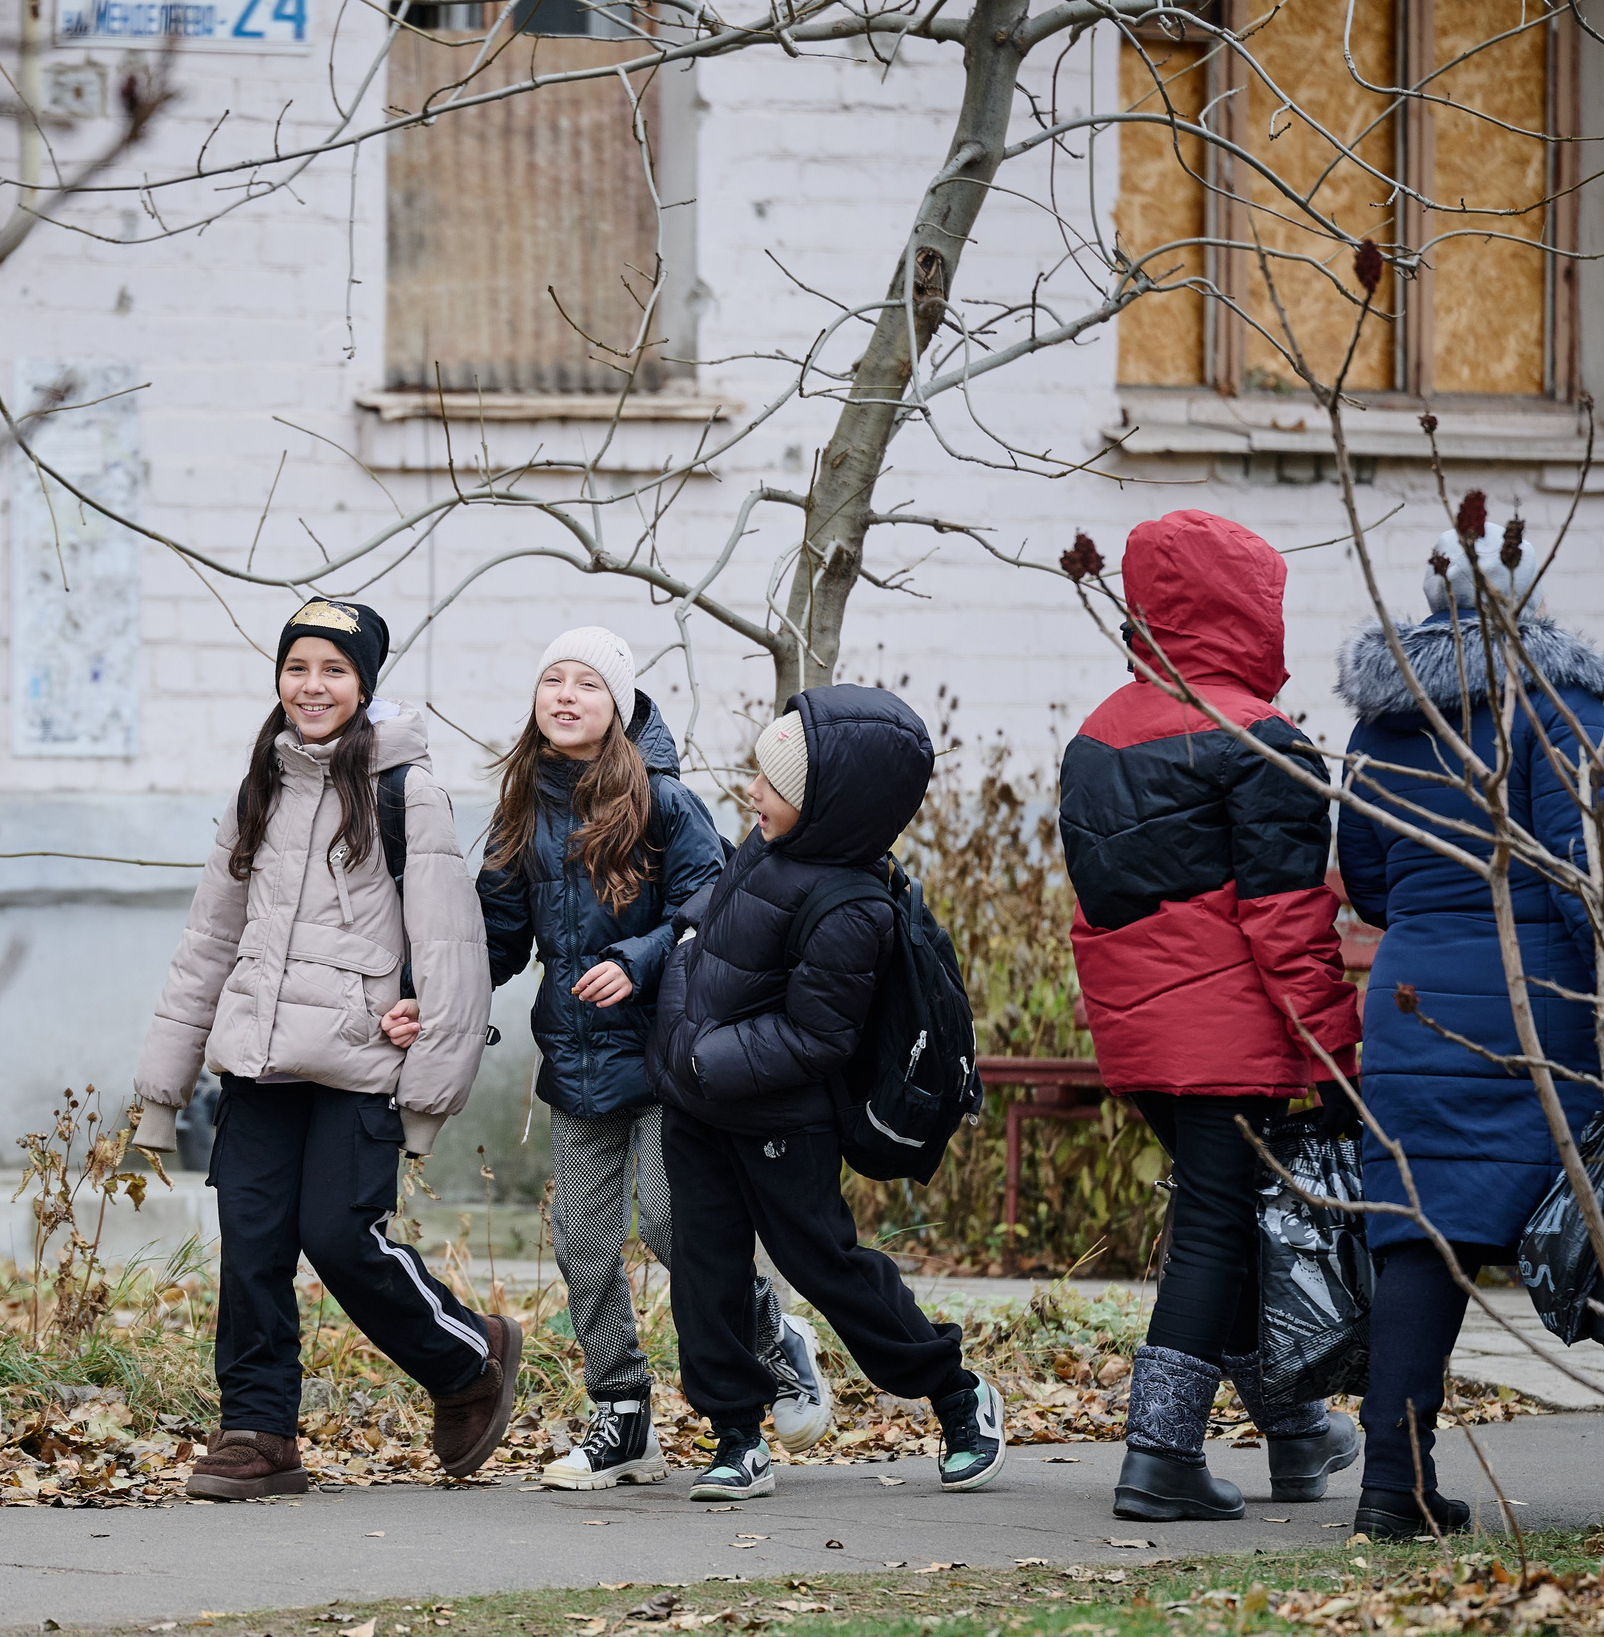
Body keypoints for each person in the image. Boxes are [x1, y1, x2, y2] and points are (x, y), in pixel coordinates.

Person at [1335, 528, 1604, 1539]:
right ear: (1526, 605)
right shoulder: (1554, 706)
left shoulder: (1380, 726)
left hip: (1412, 1014)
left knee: (1416, 1239)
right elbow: (1601, 886)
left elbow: (1363, 882)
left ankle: (1389, 1488)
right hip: (1544, 1020)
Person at [131, 597, 512, 1500]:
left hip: (360, 1058)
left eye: (334, 670)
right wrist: (162, 1083)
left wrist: (429, 1092)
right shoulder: (257, 784)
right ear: (279, 678)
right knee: (252, 1242)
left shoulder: (403, 789)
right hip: (259, 1060)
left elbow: (452, 945)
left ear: (365, 685)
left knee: (341, 1238)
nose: (313, 685)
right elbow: (209, 938)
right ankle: (258, 1431)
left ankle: (467, 1361)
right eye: (298, 667)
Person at [1059, 510, 1367, 1523]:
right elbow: (1287, 923)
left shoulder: (1096, 735)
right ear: (1248, 610)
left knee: (1222, 1226)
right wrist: (1334, 1048)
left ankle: (1292, 1433)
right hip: (1229, 1031)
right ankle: (1159, 1456)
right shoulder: (1261, 744)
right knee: (1213, 1230)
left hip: (1137, 1029)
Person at [477, 628, 831, 1491]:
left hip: (665, 1054)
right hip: (575, 1062)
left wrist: (636, 961)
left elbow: (712, 910)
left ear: (623, 704)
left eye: (586, 683)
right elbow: (495, 935)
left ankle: (770, 1334)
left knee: (677, 1225)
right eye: (550, 679)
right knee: (582, 1243)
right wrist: (437, 997)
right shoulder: (521, 805)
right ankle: (624, 1413)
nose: (564, 694)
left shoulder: (664, 801)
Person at [646, 685, 1007, 1501]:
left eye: (772, 785)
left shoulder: (852, 904)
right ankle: (735, 1436)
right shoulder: (767, 848)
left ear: (830, 804)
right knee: (704, 1273)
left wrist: (702, 1057)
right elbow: (711, 943)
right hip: (700, 1109)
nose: (753, 794)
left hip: (779, 1122)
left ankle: (956, 1393)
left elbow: (817, 1038)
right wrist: (673, 1009)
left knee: (827, 1267)